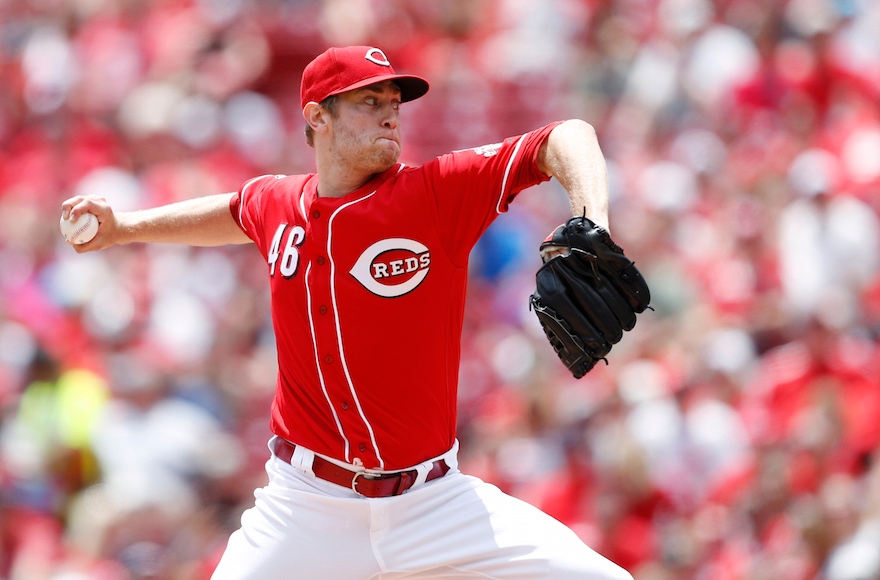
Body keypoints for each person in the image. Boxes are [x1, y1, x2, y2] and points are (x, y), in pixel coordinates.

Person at [61, 45, 634, 580]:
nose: (391, 116)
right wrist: (125, 228)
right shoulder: (277, 202)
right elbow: (234, 211)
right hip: (304, 507)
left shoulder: (433, 195)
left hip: (433, 503)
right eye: (369, 102)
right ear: (317, 117)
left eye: (393, 104)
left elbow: (566, 136)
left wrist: (593, 220)